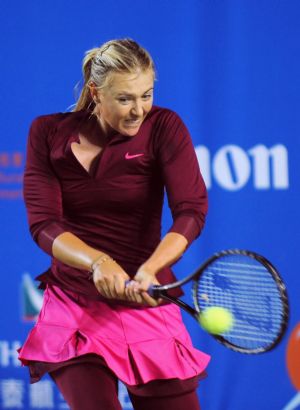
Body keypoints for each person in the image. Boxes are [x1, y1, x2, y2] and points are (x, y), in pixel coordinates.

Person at [19, 38, 210, 410]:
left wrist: (151, 270)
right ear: (95, 93)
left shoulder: (165, 127)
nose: (139, 109)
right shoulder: (46, 133)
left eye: (146, 94)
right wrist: (97, 262)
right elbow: (43, 224)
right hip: (75, 302)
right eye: (125, 99)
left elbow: (191, 210)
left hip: (147, 296)